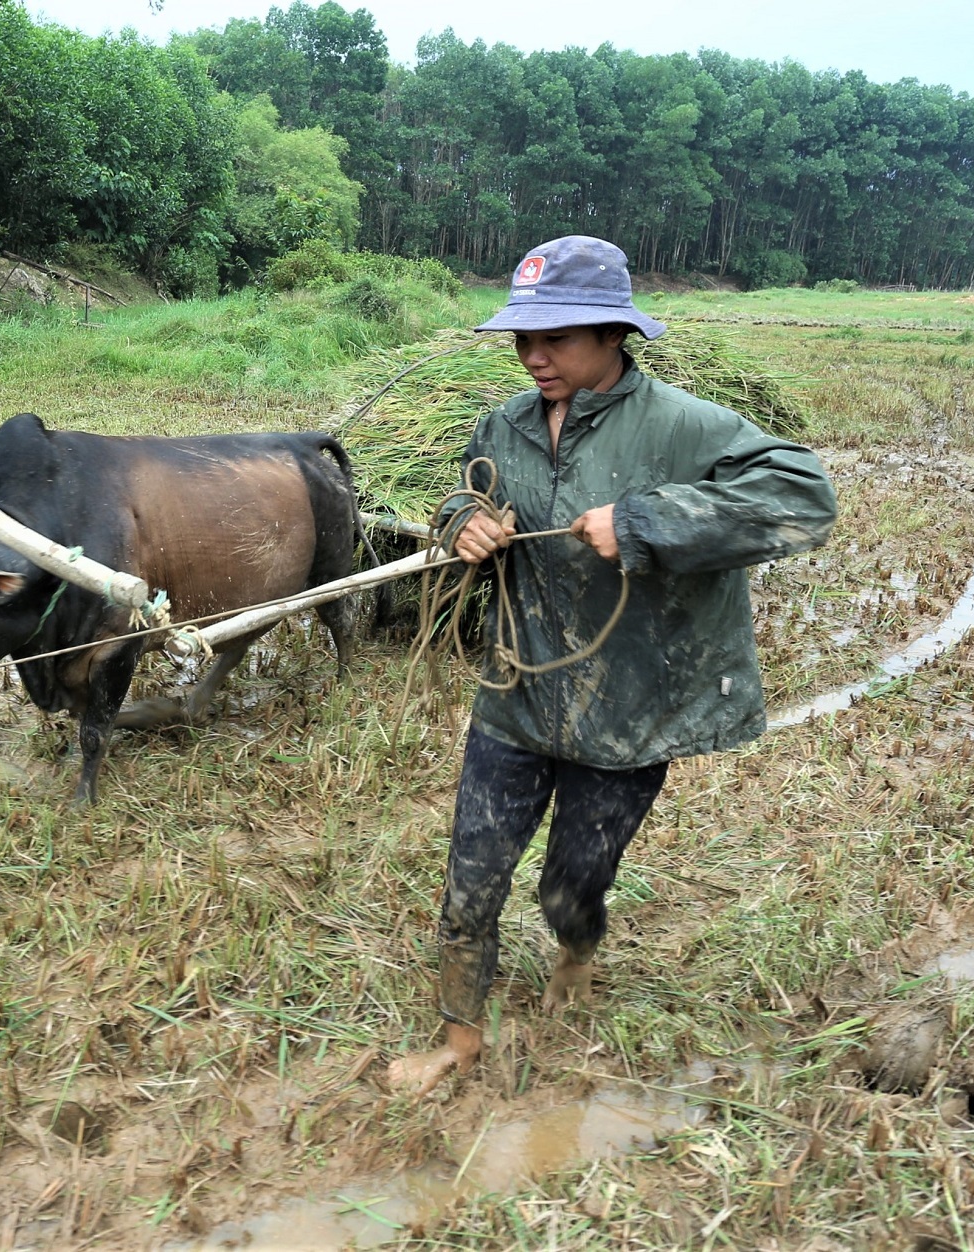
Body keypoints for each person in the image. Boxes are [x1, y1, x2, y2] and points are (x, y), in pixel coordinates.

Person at [385, 236, 838, 1097]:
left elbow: (805, 498)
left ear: (613, 333)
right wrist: (462, 522)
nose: (534, 356)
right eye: (523, 339)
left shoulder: (684, 424)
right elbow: (468, 489)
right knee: (471, 871)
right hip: (516, 694)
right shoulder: (503, 423)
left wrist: (644, 522)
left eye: (555, 338)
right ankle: (459, 1037)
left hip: (628, 708)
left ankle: (574, 955)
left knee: (572, 883)